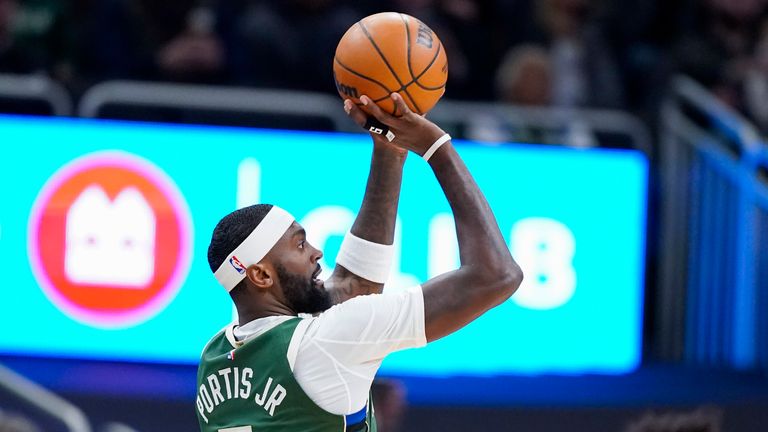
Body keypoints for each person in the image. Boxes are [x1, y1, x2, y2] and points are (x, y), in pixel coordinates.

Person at [195, 92, 523, 431]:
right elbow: (497, 275)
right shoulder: (327, 342)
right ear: (261, 275)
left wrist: (390, 149)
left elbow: (353, 289)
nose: (316, 252)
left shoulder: (214, 357)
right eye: (299, 244)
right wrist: (434, 145)